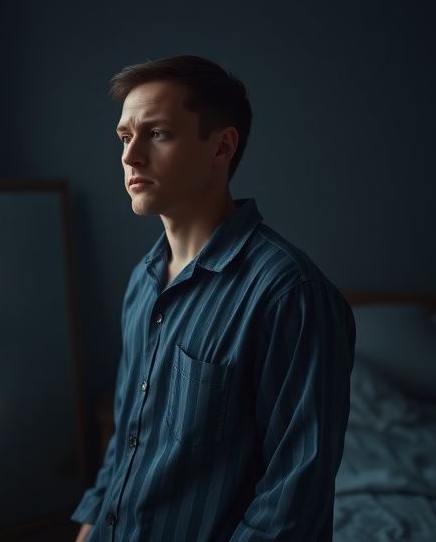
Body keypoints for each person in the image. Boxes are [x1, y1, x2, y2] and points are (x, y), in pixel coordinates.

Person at [72, 55, 355, 541]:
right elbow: (128, 437)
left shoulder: (289, 293)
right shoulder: (143, 279)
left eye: (157, 134)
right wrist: (91, 527)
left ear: (221, 146)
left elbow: (293, 497)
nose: (131, 156)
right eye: (125, 137)